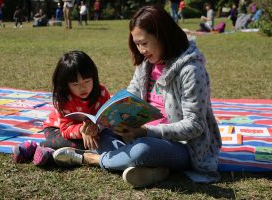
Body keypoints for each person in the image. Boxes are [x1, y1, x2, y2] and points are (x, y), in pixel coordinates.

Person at [53, 5, 222, 188]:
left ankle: (90, 159)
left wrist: (146, 132)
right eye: (137, 44)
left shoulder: (191, 70)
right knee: (102, 136)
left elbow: (195, 125)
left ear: (162, 35)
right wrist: (101, 122)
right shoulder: (146, 63)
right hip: (139, 135)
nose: (141, 50)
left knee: (142, 150)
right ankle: (155, 170)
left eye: (144, 43)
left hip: (181, 146)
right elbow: (130, 96)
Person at [12, 50, 111, 165]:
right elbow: (65, 130)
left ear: (94, 77)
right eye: (75, 84)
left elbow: (106, 118)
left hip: (91, 132)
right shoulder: (63, 99)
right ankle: (36, 147)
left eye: (87, 81)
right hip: (56, 130)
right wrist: (81, 131)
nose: (83, 88)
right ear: (66, 84)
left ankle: (48, 153)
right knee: (85, 143)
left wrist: (96, 128)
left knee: (100, 140)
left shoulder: (101, 93)